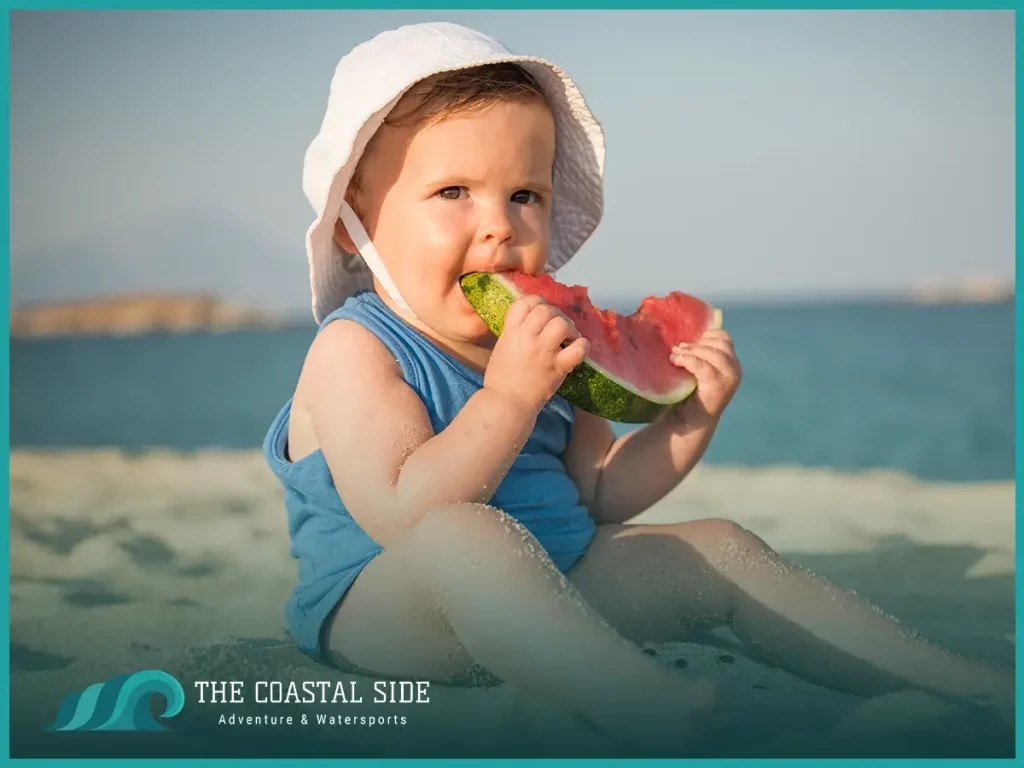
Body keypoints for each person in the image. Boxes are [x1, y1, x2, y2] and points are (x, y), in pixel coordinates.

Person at [264, 21, 1012, 753]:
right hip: (392, 615)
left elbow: (597, 496)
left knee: (721, 546)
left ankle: (953, 681)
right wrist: (508, 401)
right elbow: (404, 512)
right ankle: (637, 707)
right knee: (468, 534)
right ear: (353, 221)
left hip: (558, 595)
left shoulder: (545, 341)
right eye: (454, 191)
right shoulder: (355, 349)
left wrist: (689, 423)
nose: (499, 226)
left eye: (525, 194)